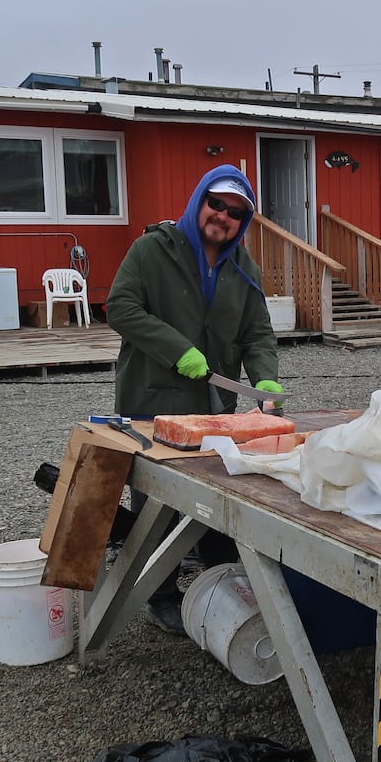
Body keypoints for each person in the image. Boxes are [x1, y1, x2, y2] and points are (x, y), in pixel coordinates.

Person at [106, 164, 283, 634]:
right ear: (199, 200)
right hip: (150, 402)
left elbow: (258, 334)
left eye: (235, 211)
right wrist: (175, 349)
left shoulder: (245, 269)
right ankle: (159, 595)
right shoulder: (152, 249)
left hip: (213, 409)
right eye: (216, 203)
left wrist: (264, 382)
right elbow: (120, 307)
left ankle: (219, 580)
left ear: (243, 221)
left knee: (214, 500)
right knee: (153, 506)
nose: (222, 216)